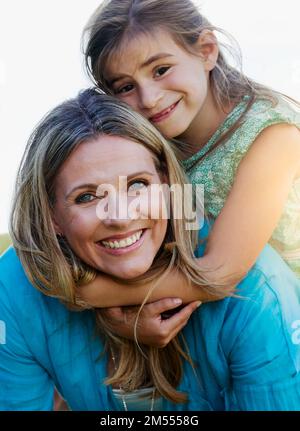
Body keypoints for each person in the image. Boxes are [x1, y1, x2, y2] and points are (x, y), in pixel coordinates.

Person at [1, 89, 300, 411]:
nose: (120, 217)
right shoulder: (15, 286)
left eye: (137, 185)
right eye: (87, 197)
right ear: (52, 217)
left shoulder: (256, 287)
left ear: (168, 185)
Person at [83, 0, 300, 289]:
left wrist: (92, 294)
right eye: (125, 87)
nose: (148, 98)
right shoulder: (140, 150)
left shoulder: (272, 135)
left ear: (206, 51)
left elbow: (219, 273)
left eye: (160, 70)